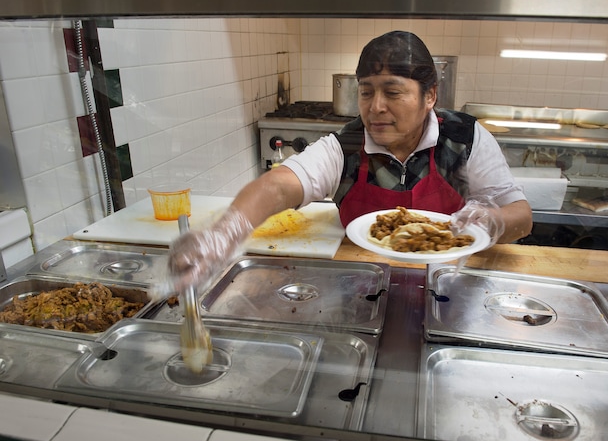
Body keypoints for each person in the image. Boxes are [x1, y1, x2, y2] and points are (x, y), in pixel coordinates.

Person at [167, 30, 532, 293]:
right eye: (366, 92)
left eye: (392, 92)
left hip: (449, 283)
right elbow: (278, 185)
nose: (376, 107)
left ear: (430, 95)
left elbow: (522, 218)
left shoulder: (464, 137)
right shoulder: (346, 146)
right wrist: (224, 233)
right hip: (362, 286)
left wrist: (491, 220)